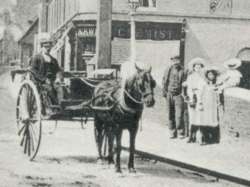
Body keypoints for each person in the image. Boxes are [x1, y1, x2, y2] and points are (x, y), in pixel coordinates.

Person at [29, 34, 65, 114]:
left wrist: (58, 78)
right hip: (41, 81)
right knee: (50, 89)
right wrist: (44, 79)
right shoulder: (36, 58)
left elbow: (58, 70)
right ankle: (53, 107)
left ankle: (60, 106)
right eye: (46, 47)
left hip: (52, 80)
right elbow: (33, 71)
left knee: (60, 88)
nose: (48, 49)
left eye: (49, 47)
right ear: (42, 47)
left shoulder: (53, 59)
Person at [182, 57, 207, 143]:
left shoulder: (204, 78)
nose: (198, 69)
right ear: (194, 68)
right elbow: (189, 88)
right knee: (192, 118)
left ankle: (199, 138)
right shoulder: (190, 77)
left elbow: (204, 88)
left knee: (200, 118)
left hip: (201, 100)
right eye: (196, 67)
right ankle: (190, 136)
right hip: (192, 99)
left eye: (200, 67)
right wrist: (190, 97)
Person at [162, 55, 185, 139]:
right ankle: (172, 131)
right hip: (169, 94)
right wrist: (164, 93)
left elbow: (185, 82)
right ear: (172, 61)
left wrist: (184, 94)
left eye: (177, 61)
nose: (176, 62)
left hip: (179, 95)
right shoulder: (168, 70)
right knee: (170, 114)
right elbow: (164, 80)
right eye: (174, 61)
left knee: (179, 115)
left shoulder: (183, 71)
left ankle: (180, 132)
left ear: (179, 61)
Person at [201, 67, 221, 144]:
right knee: (205, 120)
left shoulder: (216, 85)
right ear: (207, 76)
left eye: (212, 75)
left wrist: (218, 102)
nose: (211, 76)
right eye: (209, 74)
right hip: (206, 104)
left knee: (213, 119)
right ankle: (205, 138)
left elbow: (218, 95)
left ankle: (214, 138)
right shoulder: (204, 85)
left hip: (213, 106)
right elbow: (201, 94)